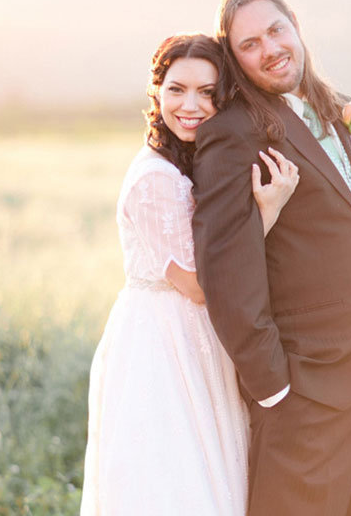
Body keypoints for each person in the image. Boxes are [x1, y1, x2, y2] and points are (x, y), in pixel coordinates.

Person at [192, 0, 351, 516]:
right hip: (305, 393)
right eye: (249, 44)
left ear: (295, 25)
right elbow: (223, 270)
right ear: (234, 57)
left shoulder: (343, 109)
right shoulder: (231, 134)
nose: (270, 48)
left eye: (275, 30)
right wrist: (273, 389)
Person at [79, 33, 299, 516]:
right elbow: (200, 285)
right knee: (172, 478)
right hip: (163, 344)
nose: (190, 105)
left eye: (207, 92)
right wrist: (268, 211)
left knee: (208, 471)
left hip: (196, 339)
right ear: (156, 91)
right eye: (177, 89)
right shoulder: (155, 177)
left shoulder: (186, 162)